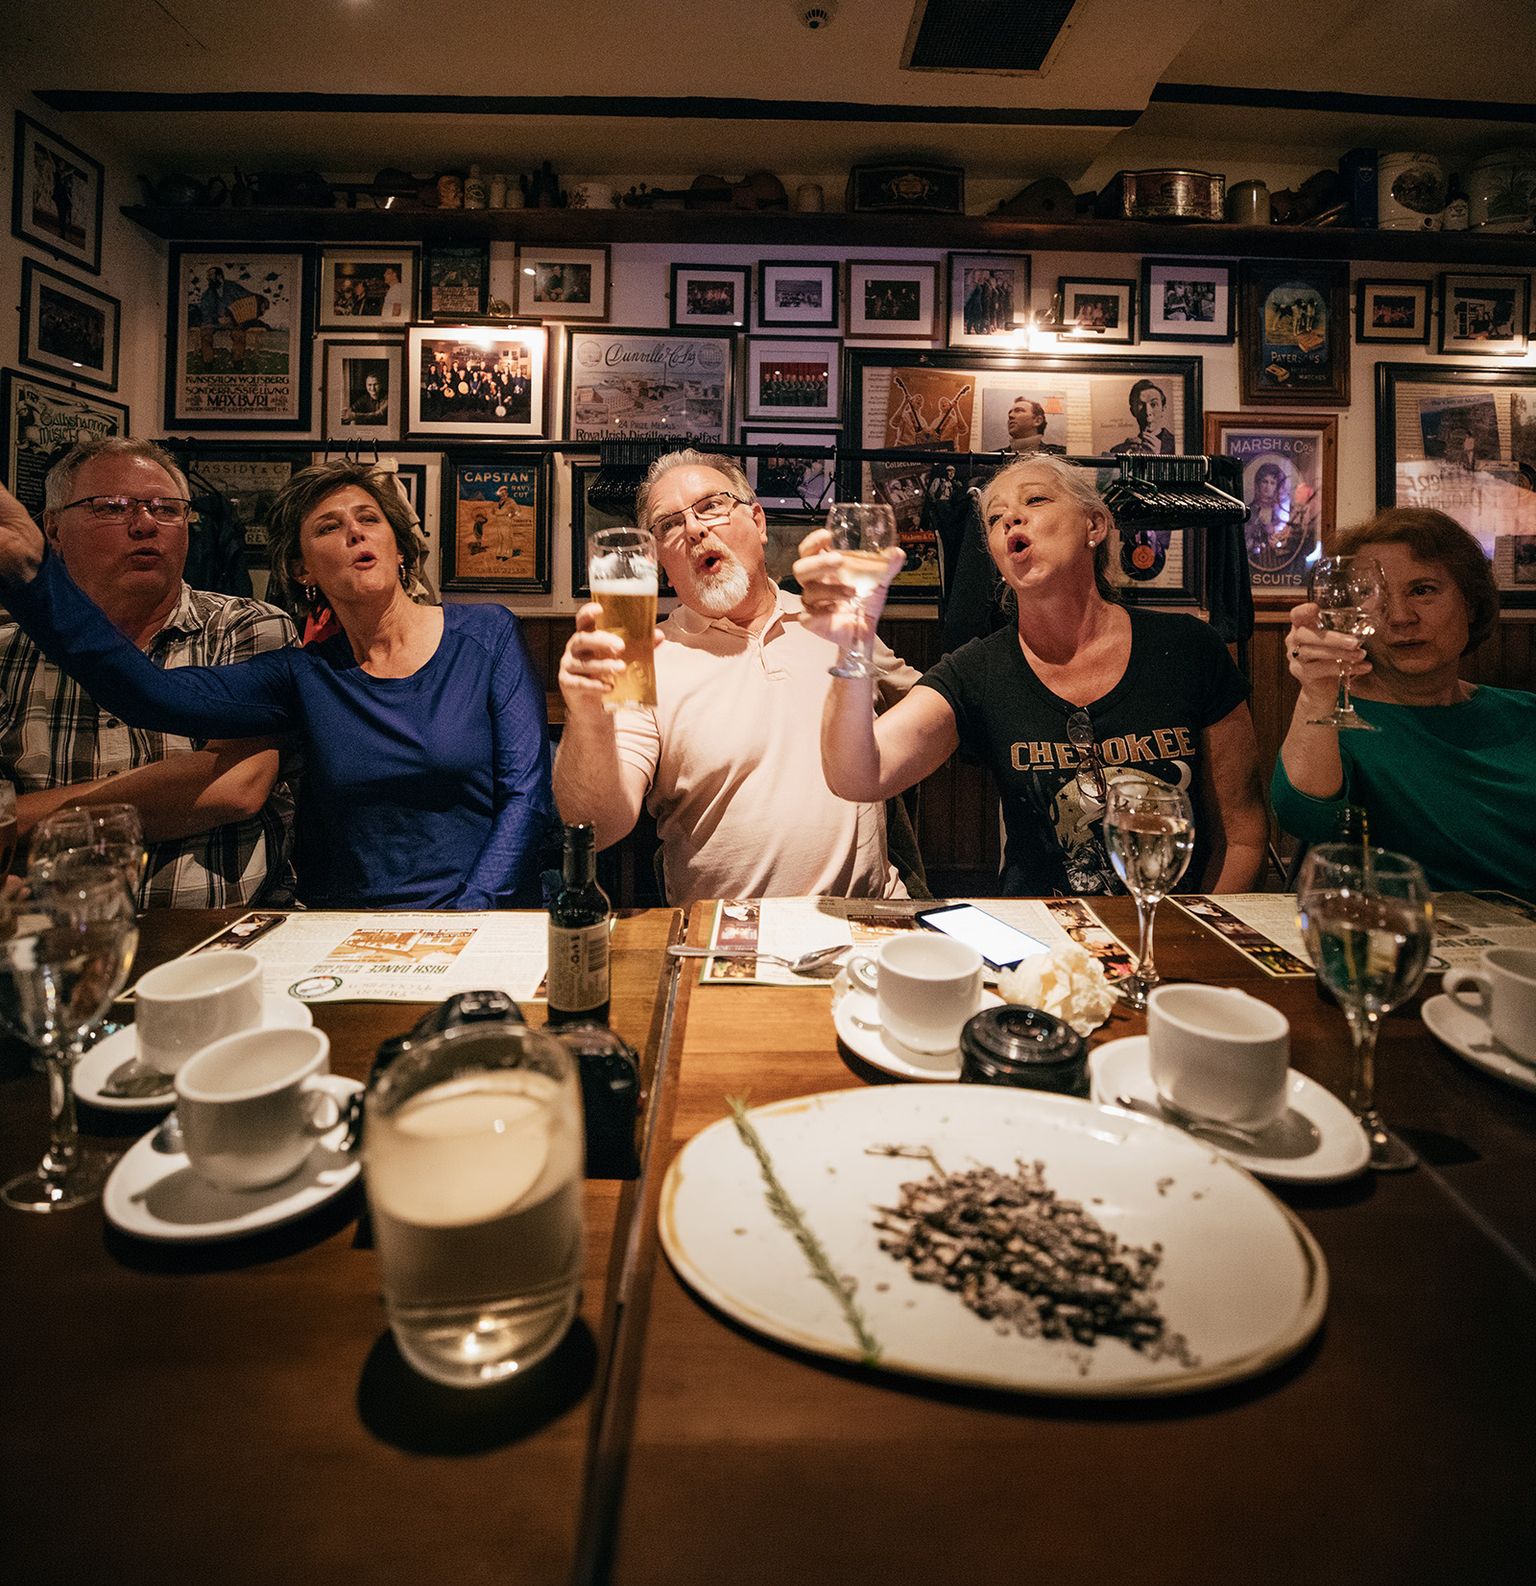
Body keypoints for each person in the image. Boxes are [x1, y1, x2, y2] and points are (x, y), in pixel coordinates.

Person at [0, 460, 553, 909]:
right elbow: (147, 693)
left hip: (483, 915)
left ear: (400, 548)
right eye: (328, 527)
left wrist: (470, 913)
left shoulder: (486, 633)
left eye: (369, 518)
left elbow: (527, 793)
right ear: (301, 569)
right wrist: (32, 574)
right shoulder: (301, 674)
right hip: (341, 930)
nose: (354, 531)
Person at [796, 455, 1268, 896]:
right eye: (995, 518)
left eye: (1035, 501)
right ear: (998, 558)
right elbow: (859, 777)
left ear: (1095, 525)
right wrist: (853, 644)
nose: (1010, 520)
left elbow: (1242, 837)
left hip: (1176, 937)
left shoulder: (1187, 648)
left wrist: (1194, 940)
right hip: (1043, 951)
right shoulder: (978, 670)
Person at [553, 449, 919, 903]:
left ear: (759, 523)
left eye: (711, 505)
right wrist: (586, 715)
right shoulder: (643, 658)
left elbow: (939, 710)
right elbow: (599, 825)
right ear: (659, 565)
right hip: (726, 940)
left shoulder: (837, 623)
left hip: (866, 918)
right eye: (669, 524)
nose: (693, 528)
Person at [0, 437, 295, 907]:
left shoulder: (247, 626)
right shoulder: (6, 653)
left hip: (227, 940)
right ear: (53, 530)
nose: (145, 524)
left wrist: (20, 820)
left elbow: (234, 789)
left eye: (167, 508)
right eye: (112, 507)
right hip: (51, 941)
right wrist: (168, 789)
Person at [1271, 507, 1536, 895]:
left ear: (1472, 603)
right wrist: (1316, 693)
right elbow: (1304, 816)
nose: (1399, 617)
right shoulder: (1337, 718)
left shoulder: (1525, 716)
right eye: (1372, 594)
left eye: (1422, 590)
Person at [1109, 380, 1176, 456]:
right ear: (1132, 411)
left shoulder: (1177, 446)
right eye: (1140, 405)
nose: (1147, 412)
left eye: (1153, 404)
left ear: (1163, 409)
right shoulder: (1118, 451)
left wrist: (1159, 456)